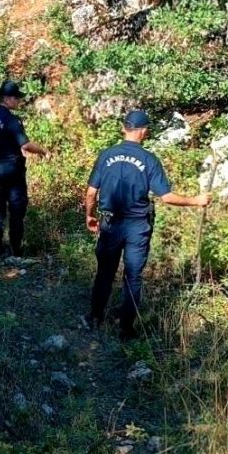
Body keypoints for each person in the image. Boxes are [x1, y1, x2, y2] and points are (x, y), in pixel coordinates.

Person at [84, 110, 211, 339]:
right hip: (137, 227)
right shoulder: (149, 159)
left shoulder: (106, 155)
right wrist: (197, 200)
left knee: (105, 272)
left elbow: (91, 192)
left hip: (110, 223)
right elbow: (167, 197)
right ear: (143, 132)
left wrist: (89, 215)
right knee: (132, 276)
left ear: (124, 128)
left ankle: (94, 317)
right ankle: (126, 330)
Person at [0, 80, 49, 258]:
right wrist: (43, 151)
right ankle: (16, 249)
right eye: (16, 98)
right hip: (13, 170)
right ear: (7, 98)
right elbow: (25, 145)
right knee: (17, 208)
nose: (19, 101)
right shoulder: (12, 119)